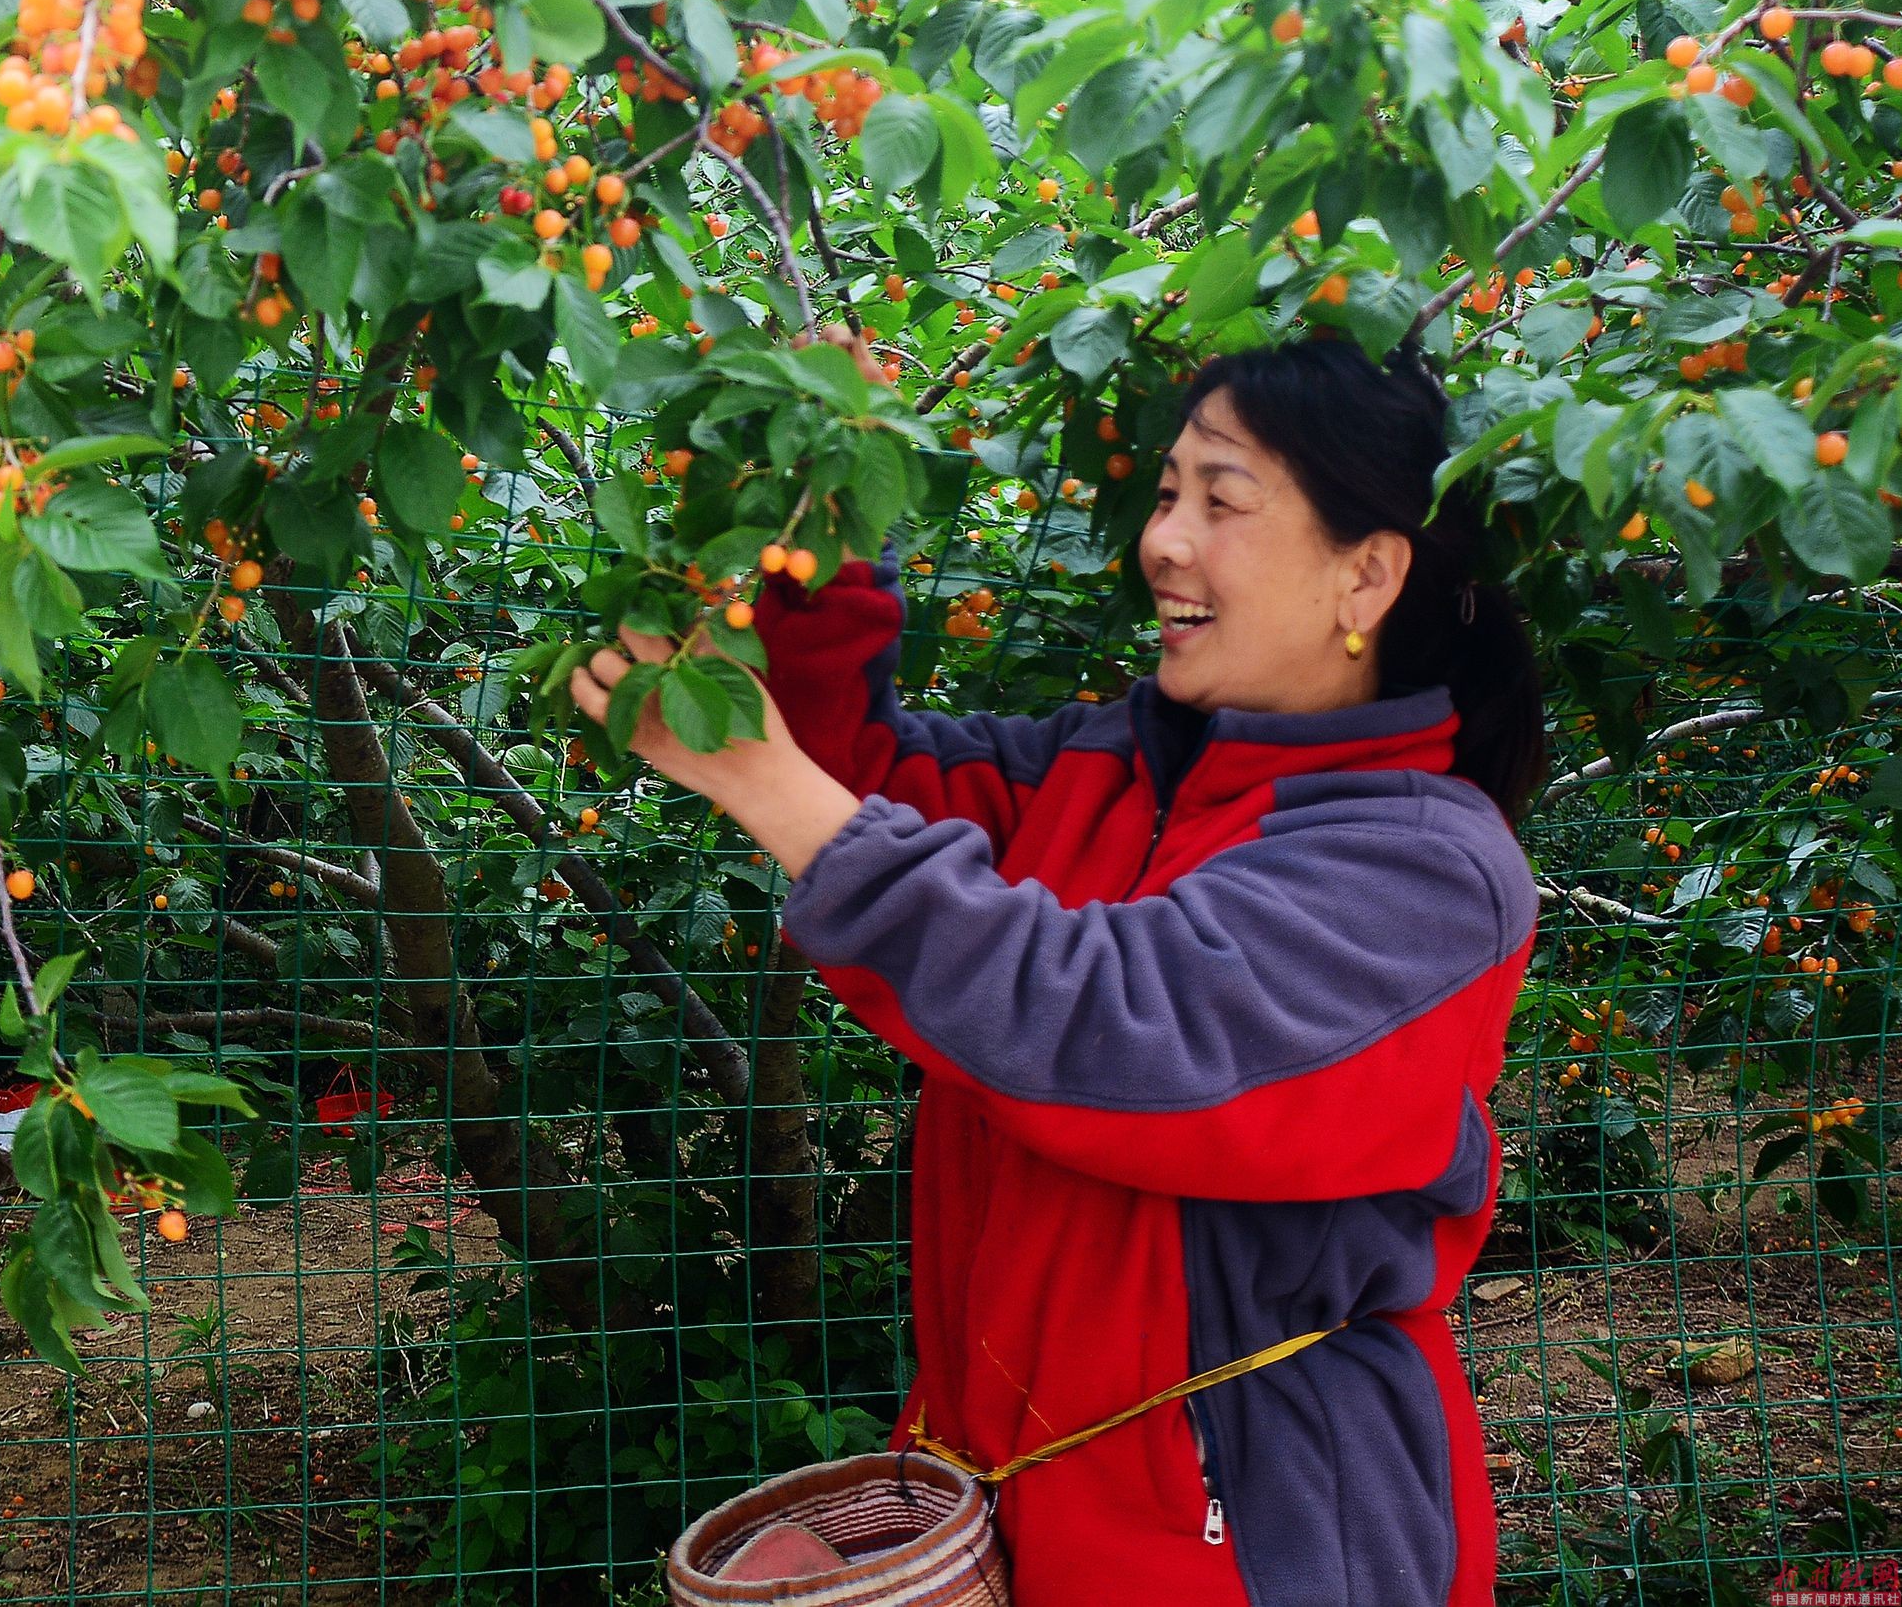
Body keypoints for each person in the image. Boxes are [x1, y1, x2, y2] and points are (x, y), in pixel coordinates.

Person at [576, 334, 1544, 1607]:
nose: (1163, 541)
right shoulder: (1107, 772)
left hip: (1249, 1523)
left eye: (1220, 498)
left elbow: (1110, 1027)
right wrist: (816, 486)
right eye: (1166, 492)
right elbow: (857, 778)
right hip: (1019, 1476)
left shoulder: (1425, 870)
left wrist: (759, 778)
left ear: (1363, 575)